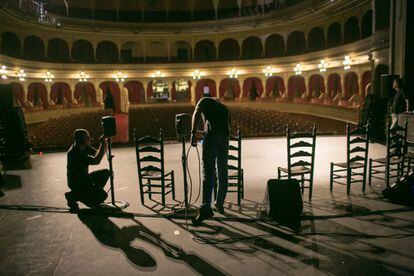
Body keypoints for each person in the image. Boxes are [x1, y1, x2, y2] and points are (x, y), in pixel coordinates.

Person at [190, 96, 231, 226]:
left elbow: (196, 113)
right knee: (222, 171)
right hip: (224, 139)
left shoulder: (204, 100)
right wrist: (207, 131)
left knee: (208, 171)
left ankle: (205, 208)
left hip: (212, 137)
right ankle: (219, 204)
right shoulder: (225, 108)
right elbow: (228, 126)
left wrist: (193, 133)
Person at [65, 129, 110, 211]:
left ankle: (91, 194)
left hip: (84, 179)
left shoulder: (82, 146)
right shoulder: (75, 153)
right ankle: (73, 196)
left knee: (106, 173)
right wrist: (102, 143)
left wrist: (105, 144)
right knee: (102, 196)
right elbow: (97, 160)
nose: (90, 139)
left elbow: (97, 153)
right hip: (77, 183)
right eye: (88, 137)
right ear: (82, 140)